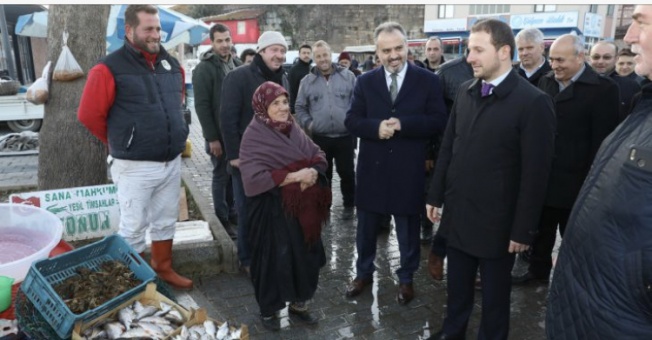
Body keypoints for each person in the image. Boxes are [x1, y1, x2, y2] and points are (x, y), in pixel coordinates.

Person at [425, 19, 556, 339]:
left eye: (478, 50)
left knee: (495, 303)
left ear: (503, 52)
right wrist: (435, 194)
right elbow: (448, 150)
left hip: (499, 226)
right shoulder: (468, 91)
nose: (469, 57)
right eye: (470, 49)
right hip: (458, 217)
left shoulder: (533, 102)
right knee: (457, 294)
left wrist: (524, 229)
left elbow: (536, 174)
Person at [547, 5, 652, 337]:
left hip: (620, 314)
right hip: (589, 304)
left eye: (641, 22)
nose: (630, 36)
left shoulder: (609, 92)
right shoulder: (644, 107)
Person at [77, 5, 192, 290]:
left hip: (170, 161)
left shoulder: (171, 64)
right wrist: (122, 141)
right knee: (133, 226)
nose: (155, 34)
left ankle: (162, 267)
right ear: (130, 31)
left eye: (157, 28)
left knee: (166, 218)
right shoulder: (108, 68)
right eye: (148, 29)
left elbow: (177, 103)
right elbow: (89, 115)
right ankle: (131, 282)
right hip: (134, 165)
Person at [344, 21, 447, 306]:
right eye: (386, 50)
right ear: (377, 52)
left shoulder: (427, 80)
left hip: (407, 170)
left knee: (407, 231)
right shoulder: (364, 81)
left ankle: (406, 278)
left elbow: (439, 120)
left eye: (398, 48)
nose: (393, 55)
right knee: (365, 229)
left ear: (407, 46)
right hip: (372, 170)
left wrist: (404, 124)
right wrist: (376, 128)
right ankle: (363, 273)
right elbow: (351, 121)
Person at [512, 34, 621, 286]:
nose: (554, 65)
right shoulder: (546, 82)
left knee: (574, 237)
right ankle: (537, 273)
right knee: (541, 232)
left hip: (578, 180)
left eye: (561, 59)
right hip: (546, 176)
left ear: (580, 57)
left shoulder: (604, 89)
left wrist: (593, 183)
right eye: (551, 59)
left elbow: (603, 142)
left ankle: (574, 282)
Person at [239, 81, 329, 331]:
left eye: (285, 102)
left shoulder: (293, 128)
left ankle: (299, 304)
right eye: (275, 103)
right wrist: (295, 177)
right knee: (271, 260)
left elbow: (317, 153)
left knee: (304, 256)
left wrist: (311, 170)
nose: (282, 108)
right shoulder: (254, 135)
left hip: (300, 209)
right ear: (261, 107)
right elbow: (253, 178)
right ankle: (269, 310)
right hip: (269, 209)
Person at [220, 31, 289, 274]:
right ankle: (247, 259)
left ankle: (268, 253)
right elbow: (227, 119)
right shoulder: (238, 77)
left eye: (282, 50)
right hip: (247, 160)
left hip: (276, 159)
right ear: (261, 51)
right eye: (274, 50)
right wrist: (235, 155)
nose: (279, 55)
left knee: (272, 210)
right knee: (248, 210)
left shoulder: (283, 78)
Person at [426, 51, 474, 281]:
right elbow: (432, 113)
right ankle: (438, 251)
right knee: (452, 209)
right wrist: (429, 151)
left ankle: (471, 265)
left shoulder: (505, 75)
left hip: (483, 155)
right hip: (450, 149)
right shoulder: (447, 72)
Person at [296, 41, 357, 218]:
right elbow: (300, 106)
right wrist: (310, 124)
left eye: (325, 55)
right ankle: (324, 207)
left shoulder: (348, 77)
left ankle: (349, 206)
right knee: (324, 174)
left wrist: (352, 122)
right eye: (319, 56)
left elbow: (358, 102)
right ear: (314, 58)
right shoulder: (307, 82)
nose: (323, 59)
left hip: (345, 135)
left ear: (332, 55)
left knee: (347, 173)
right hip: (320, 137)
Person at [192, 23, 241, 239]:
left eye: (227, 40)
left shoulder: (238, 64)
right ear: (212, 43)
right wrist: (212, 138)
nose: (224, 45)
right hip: (218, 136)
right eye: (219, 41)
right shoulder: (204, 68)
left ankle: (232, 212)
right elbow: (201, 106)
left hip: (236, 135)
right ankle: (222, 219)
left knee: (233, 176)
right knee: (221, 176)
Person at [589, 40, 641, 121]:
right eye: (596, 57)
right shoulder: (577, 83)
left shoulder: (631, 86)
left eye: (607, 57)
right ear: (589, 58)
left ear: (616, 59)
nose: (600, 61)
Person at [288, 44, 312, 114]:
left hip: (311, 109)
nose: (306, 55)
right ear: (299, 54)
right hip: (298, 109)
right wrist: (292, 109)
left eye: (308, 53)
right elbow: (290, 90)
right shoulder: (294, 70)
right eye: (304, 53)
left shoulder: (312, 69)